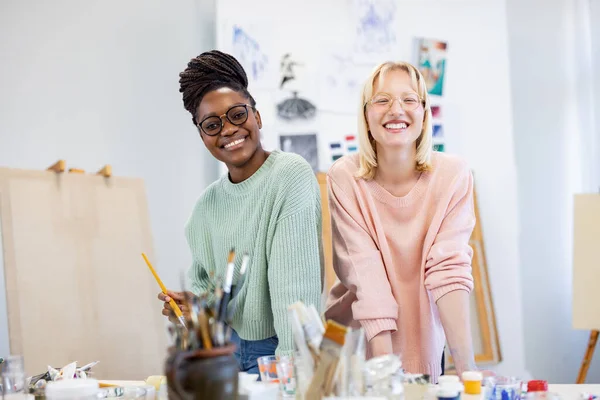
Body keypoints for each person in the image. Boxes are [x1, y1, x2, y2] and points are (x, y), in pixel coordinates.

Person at [158, 50, 323, 375]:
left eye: (237, 115)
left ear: (257, 116)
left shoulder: (290, 175)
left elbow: (296, 295)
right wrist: (198, 307)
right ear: (203, 135)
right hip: (225, 353)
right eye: (212, 124)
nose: (228, 130)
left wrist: (296, 375)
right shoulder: (206, 208)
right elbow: (216, 294)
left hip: (279, 351)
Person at [323, 60, 477, 382]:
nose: (396, 110)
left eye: (409, 100)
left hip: (425, 341)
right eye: (382, 100)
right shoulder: (345, 177)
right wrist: (386, 379)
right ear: (367, 115)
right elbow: (368, 279)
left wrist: (467, 372)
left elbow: (449, 271)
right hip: (358, 348)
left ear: (424, 114)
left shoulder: (453, 175)